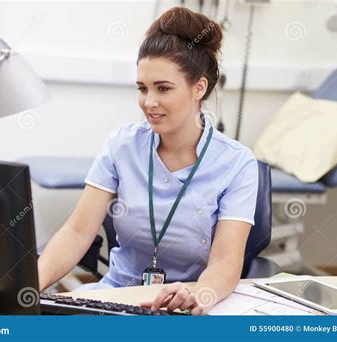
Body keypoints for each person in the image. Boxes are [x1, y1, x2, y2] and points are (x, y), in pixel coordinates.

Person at [38, 6, 258, 315]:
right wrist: (27, 287)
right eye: (143, 88)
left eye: (163, 89)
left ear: (199, 88)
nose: (149, 102)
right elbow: (77, 232)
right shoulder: (122, 145)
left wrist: (200, 294)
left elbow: (226, 261)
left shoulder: (237, 164)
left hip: (186, 305)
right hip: (116, 296)